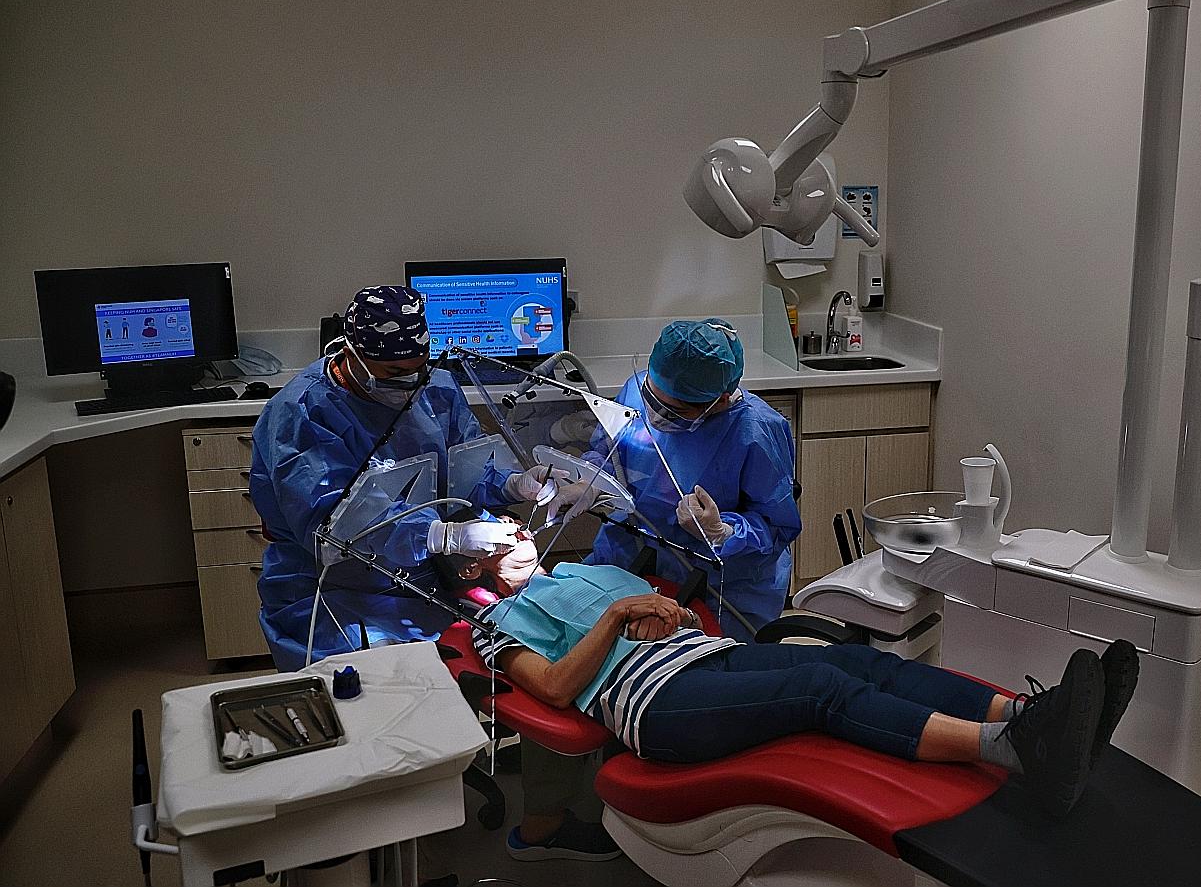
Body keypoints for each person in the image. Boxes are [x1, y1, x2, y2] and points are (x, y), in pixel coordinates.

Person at [249, 285, 620, 863]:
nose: (410, 383)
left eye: (418, 368)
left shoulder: (433, 385)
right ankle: (364, 855)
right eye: (394, 372)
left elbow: (469, 467)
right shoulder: (303, 416)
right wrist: (445, 536)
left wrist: (515, 490)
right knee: (362, 744)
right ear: (351, 354)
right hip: (333, 599)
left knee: (428, 726)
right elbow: (330, 530)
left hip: (427, 585)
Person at [473, 561, 1140, 819]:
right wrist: (618, 616)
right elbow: (557, 688)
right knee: (819, 685)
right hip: (657, 706)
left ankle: (1036, 714)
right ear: (475, 565)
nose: (513, 529)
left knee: (858, 662)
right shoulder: (493, 624)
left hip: (717, 657)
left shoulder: (583, 565)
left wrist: (660, 607)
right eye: (492, 533)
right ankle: (1013, 748)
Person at [553, 319, 799, 641]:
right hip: (629, 555)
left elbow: (776, 525)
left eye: (675, 411)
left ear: (721, 399)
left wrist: (721, 530)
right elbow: (611, 453)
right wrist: (589, 481)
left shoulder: (756, 431)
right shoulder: (638, 388)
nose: (655, 414)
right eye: (651, 399)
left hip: (722, 588)